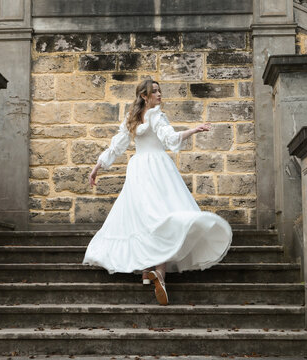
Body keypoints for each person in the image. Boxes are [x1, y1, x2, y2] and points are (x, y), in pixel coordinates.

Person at [83, 79, 232, 306]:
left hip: (139, 168)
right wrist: (194, 130)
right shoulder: (156, 115)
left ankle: (146, 271)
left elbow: (116, 148)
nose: (160, 94)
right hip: (158, 168)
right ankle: (159, 274)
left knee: (145, 217)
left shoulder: (132, 118)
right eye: (155, 91)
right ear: (145, 96)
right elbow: (170, 139)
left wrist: (96, 168)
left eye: (159, 90)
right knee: (162, 215)